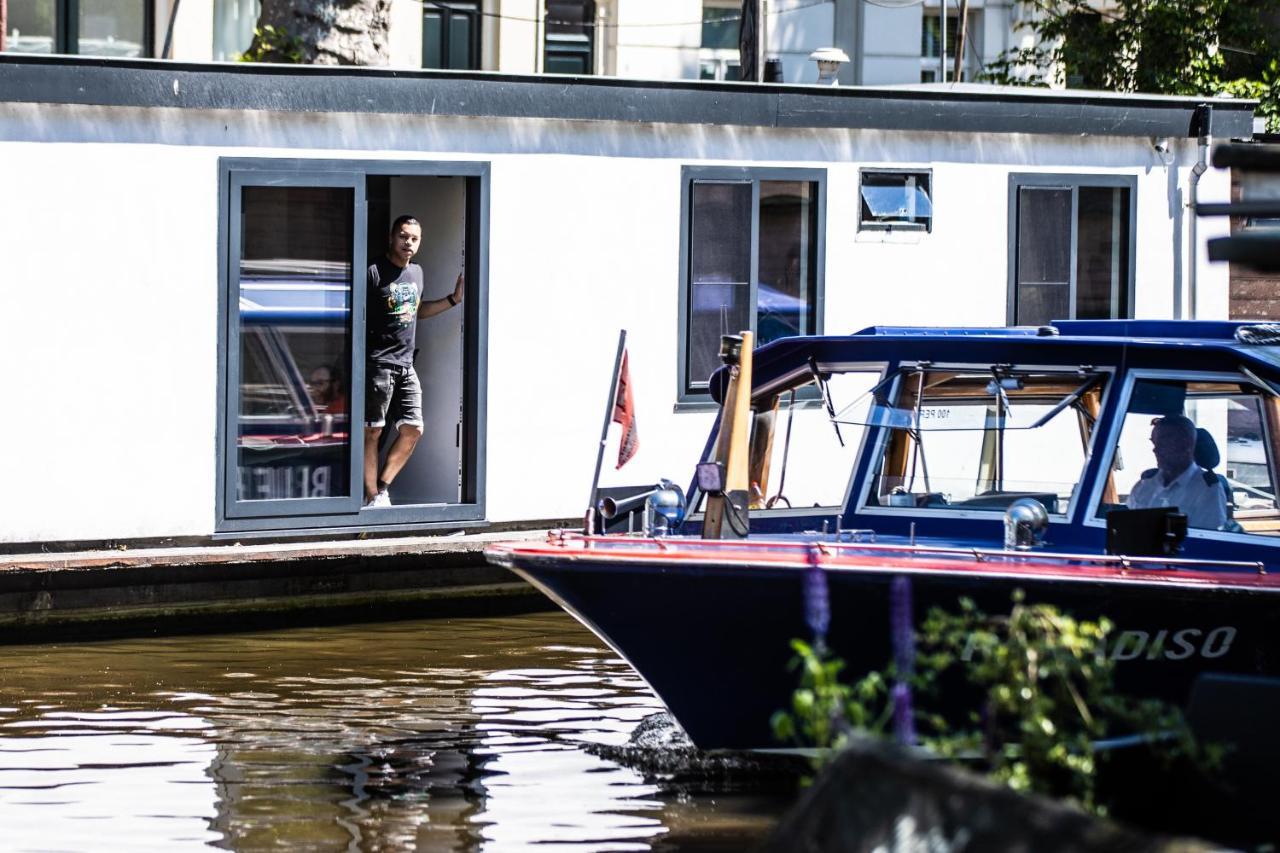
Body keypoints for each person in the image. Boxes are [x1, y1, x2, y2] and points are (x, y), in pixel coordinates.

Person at [364, 215, 464, 507]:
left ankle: (381, 489)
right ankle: (371, 497)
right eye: (403, 236)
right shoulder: (372, 271)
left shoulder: (417, 273)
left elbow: (415, 311)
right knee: (373, 431)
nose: (408, 243)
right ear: (391, 238)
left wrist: (453, 300)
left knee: (413, 428)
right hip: (377, 364)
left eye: (414, 239)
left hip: (406, 365)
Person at [1126, 413, 1227, 530]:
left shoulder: (1207, 490)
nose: (1155, 449)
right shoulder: (1144, 485)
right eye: (1154, 443)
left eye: (1163, 443)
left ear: (1186, 444)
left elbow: (1205, 541)